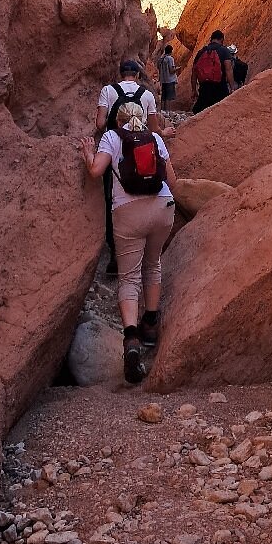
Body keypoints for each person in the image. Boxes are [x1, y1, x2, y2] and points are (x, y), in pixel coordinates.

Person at [80, 103, 177, 383]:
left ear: (119, 119)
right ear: (144, 119)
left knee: (129, 276)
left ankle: (132, 340)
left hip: (127, 213)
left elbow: (96, 171)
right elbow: (172, 179)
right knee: (153, 264)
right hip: (162, 207)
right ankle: (150, 324)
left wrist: (88, 152)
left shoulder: (112, 137)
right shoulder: (156, 138)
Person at [95, 60, 162, 276]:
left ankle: (116, 254)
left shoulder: (108, 90)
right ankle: (143, 251)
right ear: (137, 75)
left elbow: (99, 123)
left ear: (120, 73)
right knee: (143, 190)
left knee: (112, 199)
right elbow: (153, 128)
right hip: (141, 149)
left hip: (115, 149)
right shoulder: (147, 95)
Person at [191, 29, 235, 113]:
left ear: (211, 39)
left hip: (204, 88)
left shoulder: (201, 52)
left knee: (201, 113)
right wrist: (232, 88)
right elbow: (228, 70)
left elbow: (194, 73)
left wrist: (194, 90)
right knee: (220, 112)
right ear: (222, 39)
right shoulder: (224, 51)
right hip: (220, 87)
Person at [157, 44, 178, 112]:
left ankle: (163, 111)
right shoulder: (170, 58)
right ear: (171, 51)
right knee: (169, 97)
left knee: (164, 96)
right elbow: (171, 71)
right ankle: (168, 111)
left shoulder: (161, 59)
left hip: (163, 80)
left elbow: (158, 68)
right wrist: (177, 68)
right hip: (170, 80)